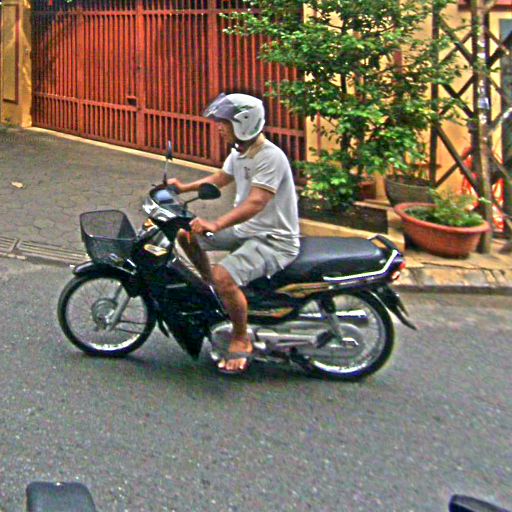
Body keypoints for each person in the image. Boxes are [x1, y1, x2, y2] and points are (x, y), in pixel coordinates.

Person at [167, 93, 300, 374]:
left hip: (274, 239)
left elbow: (256, 202)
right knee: (186, 235)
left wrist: (216, 225)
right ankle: (213, 289)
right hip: (247, 231)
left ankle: (241, 338)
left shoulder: (270, 157)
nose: (218, 127)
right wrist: (183, 188)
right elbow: (221, 178)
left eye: (224, 122)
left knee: (224, 276)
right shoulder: (240, 152)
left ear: (244, 123)